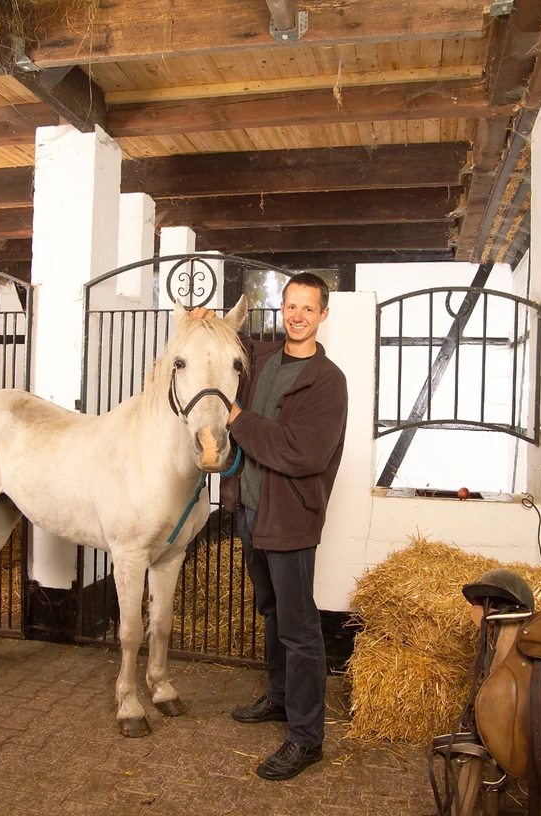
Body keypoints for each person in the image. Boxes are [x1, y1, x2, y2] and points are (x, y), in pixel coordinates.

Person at [190, 272, 348, 780]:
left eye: (308, 308)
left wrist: (237, 417)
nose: (297, 316)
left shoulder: (328, 381)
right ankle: (279, 698)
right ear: (281, 309)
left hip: (291, 518)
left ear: (324, 315)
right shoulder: (262, 360)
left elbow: (300, 453)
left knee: (301, 630)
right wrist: (205, 317)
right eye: (290, 306)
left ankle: (306, 738)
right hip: (253, 512)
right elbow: (228, 344)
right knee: (273, 612)